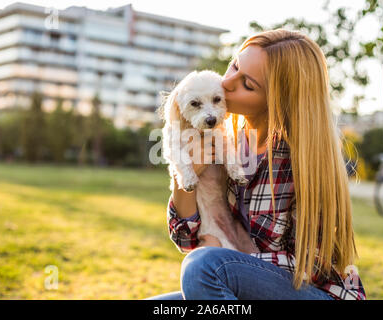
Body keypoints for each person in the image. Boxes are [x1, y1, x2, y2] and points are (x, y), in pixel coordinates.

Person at [148, 29, 366, 300]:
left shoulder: (301, 160)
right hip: (245, 278)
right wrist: (191, 170)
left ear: (278, 100)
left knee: (203, 268)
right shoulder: (227, 141)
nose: (226, 83)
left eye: (247, 84)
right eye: (234, 66)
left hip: (317, 293)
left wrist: (230, 255)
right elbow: (186, 240)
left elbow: (311, 268)